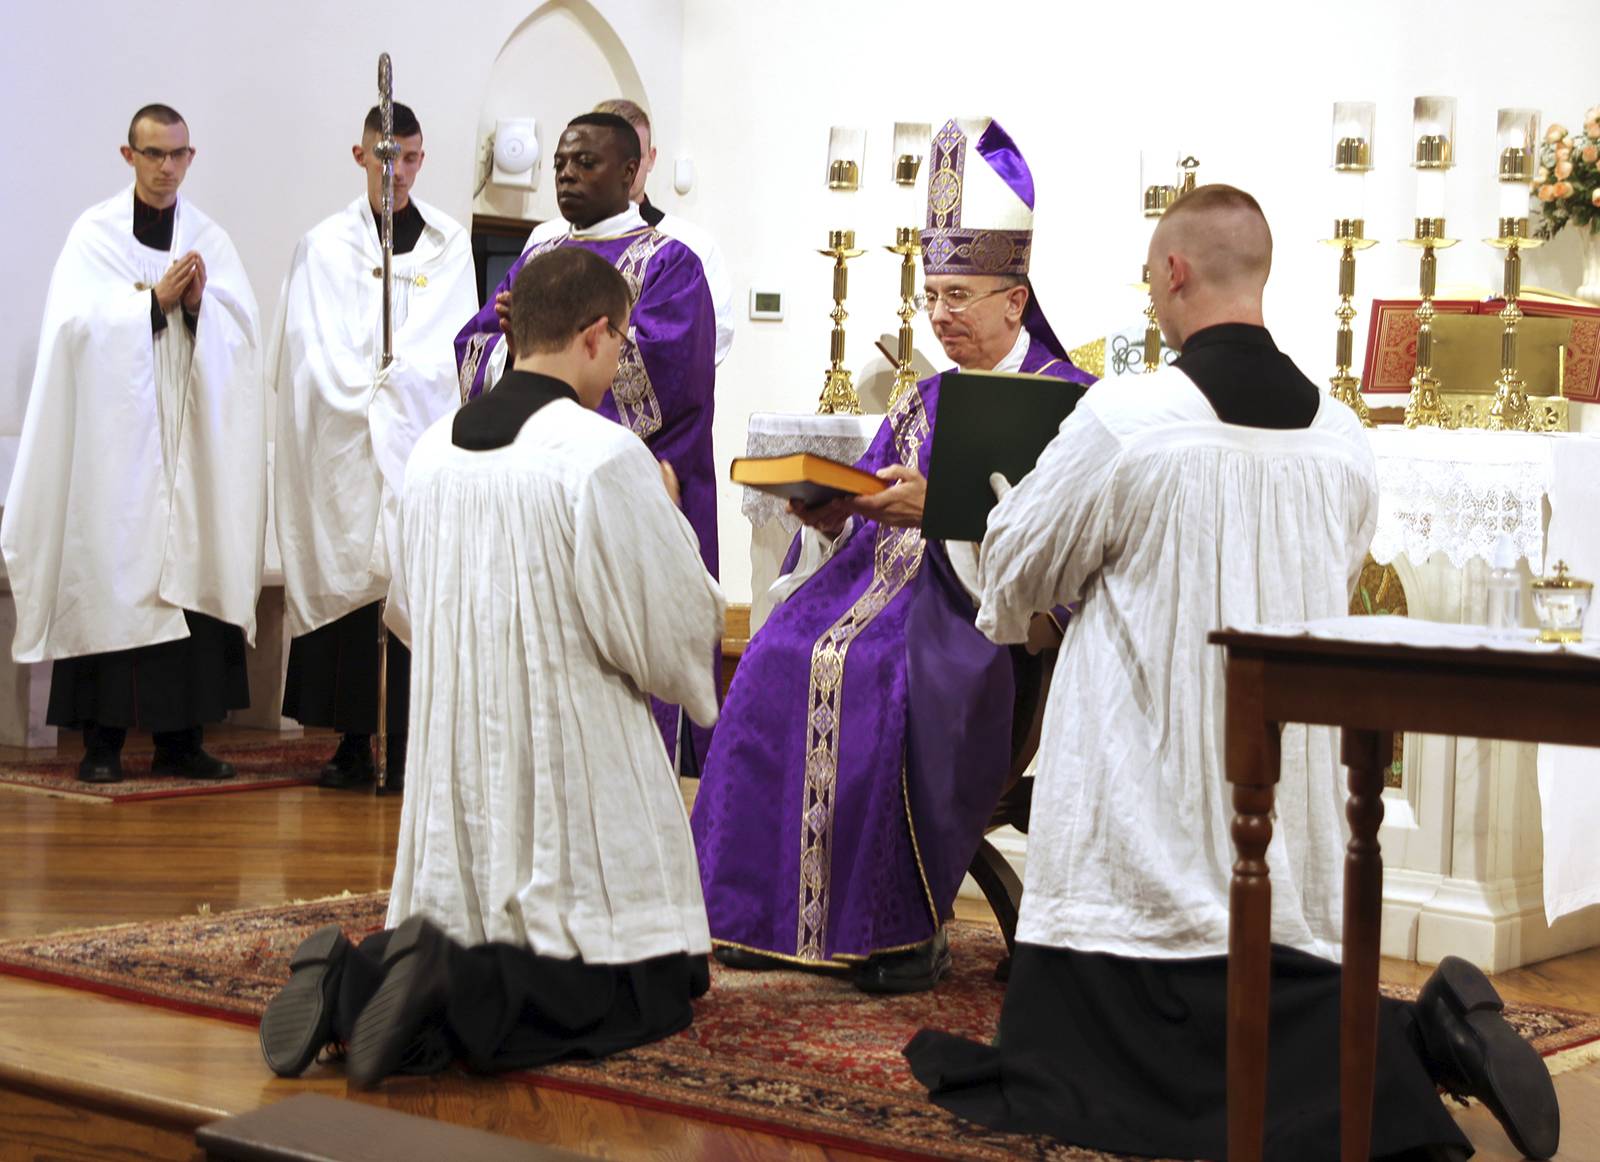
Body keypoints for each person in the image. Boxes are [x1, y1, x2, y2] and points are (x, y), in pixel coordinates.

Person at [902, 185, 1560, 1161]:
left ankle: (1416, 1039)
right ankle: (1415, 1040)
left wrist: (1000, 518)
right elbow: (1339, 575)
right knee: (1284, 1009)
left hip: (1146, 804)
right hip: (1277, 811)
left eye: (1149, 277)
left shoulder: (1128, 418)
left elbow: (1018, 573)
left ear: (1172, 272)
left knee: (1105, 1072)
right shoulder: (1339, 435)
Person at [260, 246, 723, 1087]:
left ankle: (354, 980)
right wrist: (666, 513)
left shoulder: (435, 450)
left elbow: (407, 607)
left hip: (458, 761)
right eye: (619, 344)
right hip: (566, 759)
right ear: (594, 335)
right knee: (650, 986)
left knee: (468, 930)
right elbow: (674, 628)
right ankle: (453, 979)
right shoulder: (602, 455)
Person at [691, 118, 1096, 994]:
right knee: (774, 653)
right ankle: (759, 915)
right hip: (869, 588)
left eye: (961, 296)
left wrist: (939, 513)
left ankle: (900, 928)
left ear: (1016, 300)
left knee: (878, 673)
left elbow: (1063, 551)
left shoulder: (1068, 404)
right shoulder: (923, 396)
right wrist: (832, 513)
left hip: (972, 620)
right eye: (933, 294)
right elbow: (873, 501)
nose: (940, 315)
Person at [1, 103, 264, 784]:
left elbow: (244, 338)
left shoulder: (210, 239)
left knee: (188, 574)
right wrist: (151, 304)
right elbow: (72, 333)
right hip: (117, 450)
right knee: (114, 575)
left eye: (178, 154)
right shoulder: (94, 236)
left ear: (190, 157)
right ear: (129, 156)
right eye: (153, 154)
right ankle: (102, 744)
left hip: (187, 443)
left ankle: (183, 741)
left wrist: (201, 307)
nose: (166, 167)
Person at [454, 111, 718, 770]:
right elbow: (476, 349)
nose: (567, 175)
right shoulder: (539, 258)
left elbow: (662, 375)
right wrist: (519, 345)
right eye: (561, 164)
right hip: (536, 488)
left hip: (638, 485)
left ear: (631, 173)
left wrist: (547, 345)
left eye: (586, 163)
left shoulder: (670, 263)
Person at [271, 102, 477, 793]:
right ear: (361, 156)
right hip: (350, 441)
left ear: (422, 159)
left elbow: (456, 343)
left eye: (411, 158)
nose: (399, 173)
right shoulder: (324, 245)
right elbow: (307, 345)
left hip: (420, 434)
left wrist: (404, 382)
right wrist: (365, 386)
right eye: (387, 158)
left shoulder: (449, 244)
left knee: (412, 577)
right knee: (352, 580)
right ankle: (352, 741)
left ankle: (412, 738)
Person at [515, 98, 734, 367]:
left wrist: (575, 358)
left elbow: (708, 340)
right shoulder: (546, 241)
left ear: (649, 159)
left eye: (635, 157)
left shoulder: (688, 246)